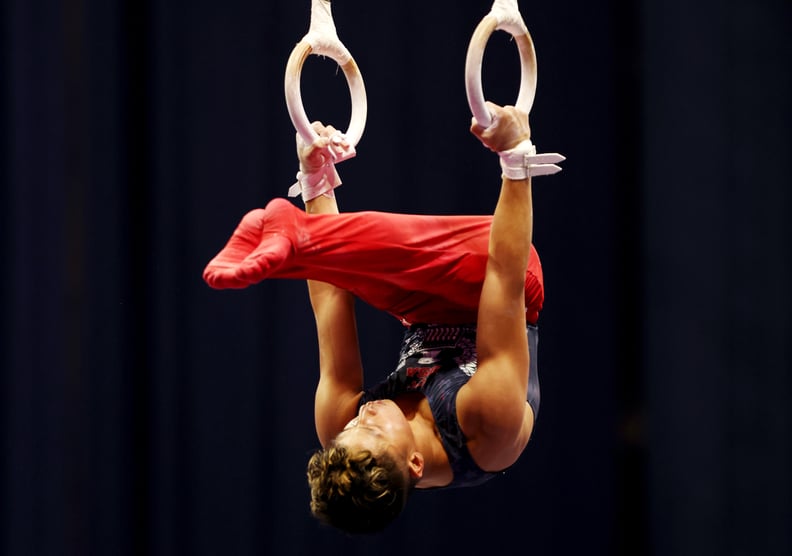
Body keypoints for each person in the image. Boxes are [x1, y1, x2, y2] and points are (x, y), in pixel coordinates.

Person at [203, 102, 553, 534]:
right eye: (373, 428)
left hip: (417, 305)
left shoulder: (341, 427)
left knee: (359, 271)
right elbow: (504, 277)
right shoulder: (487, 430)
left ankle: (298, 239)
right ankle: (297, 238)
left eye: (353, 425)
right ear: (415, 463)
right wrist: (517, 155)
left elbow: (331, 301)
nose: (361, 417)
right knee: (437, 257)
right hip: (499, 274)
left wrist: (315, 179)